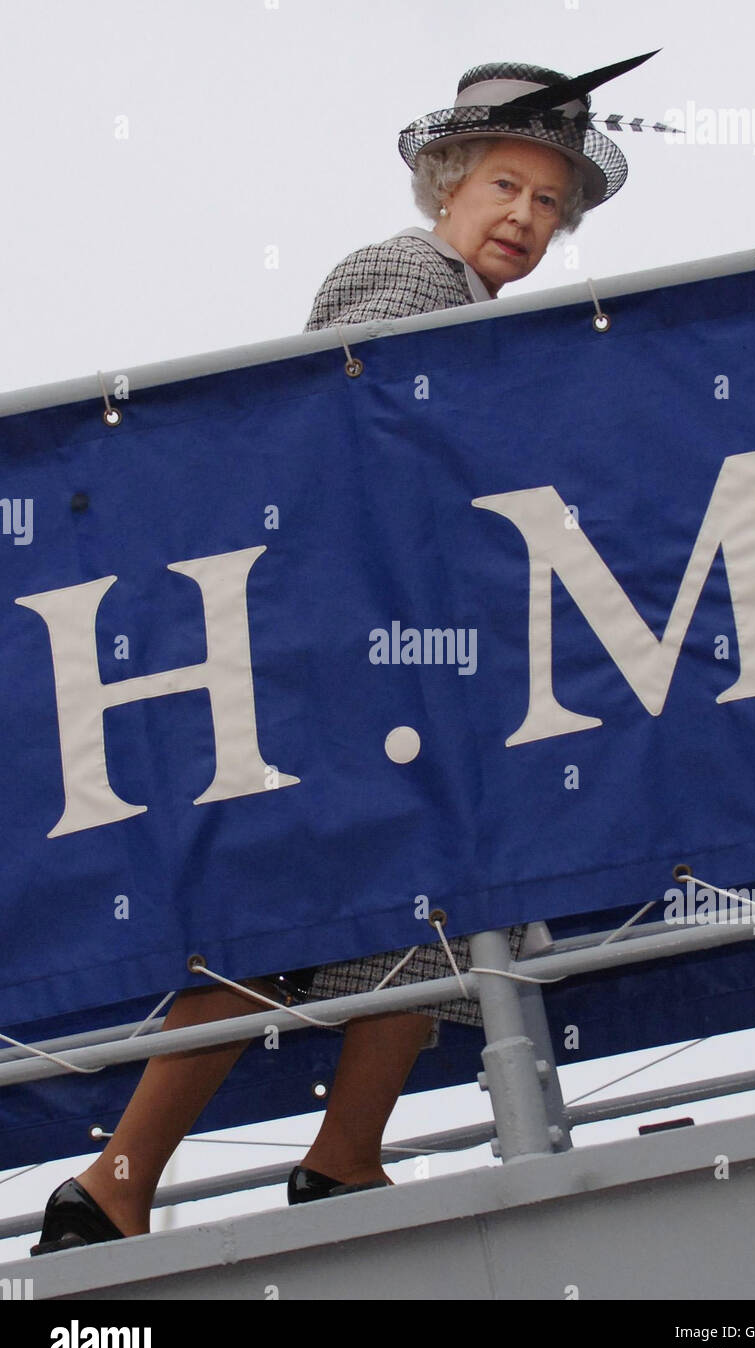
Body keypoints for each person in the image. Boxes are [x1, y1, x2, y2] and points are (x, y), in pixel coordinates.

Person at [32, 52, 660, 1254]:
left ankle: (338, 1157)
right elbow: (354, 426)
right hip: (337, 653)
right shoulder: (395, 270)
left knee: (427, 907)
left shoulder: (490, 318)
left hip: (424, 668)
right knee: (294, 911)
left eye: (546, 204)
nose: (525, 219)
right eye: (505, 190)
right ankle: (113, 1183)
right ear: (446, 189)